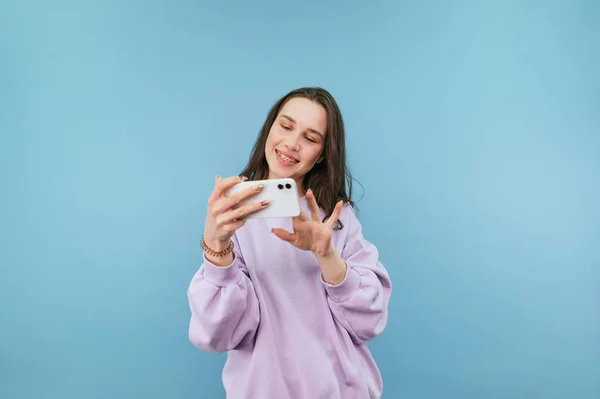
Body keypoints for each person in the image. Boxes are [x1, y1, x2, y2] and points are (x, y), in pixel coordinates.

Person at [187, 87, 392, 399]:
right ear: (269, 128)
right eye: (285, 126)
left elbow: (370, 321)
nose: (292, 144)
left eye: (310, 138)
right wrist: (217, 248)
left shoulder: (337, 217)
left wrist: (326, 255)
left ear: (323, 153)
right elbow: (219, 334)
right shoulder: (232, 215)